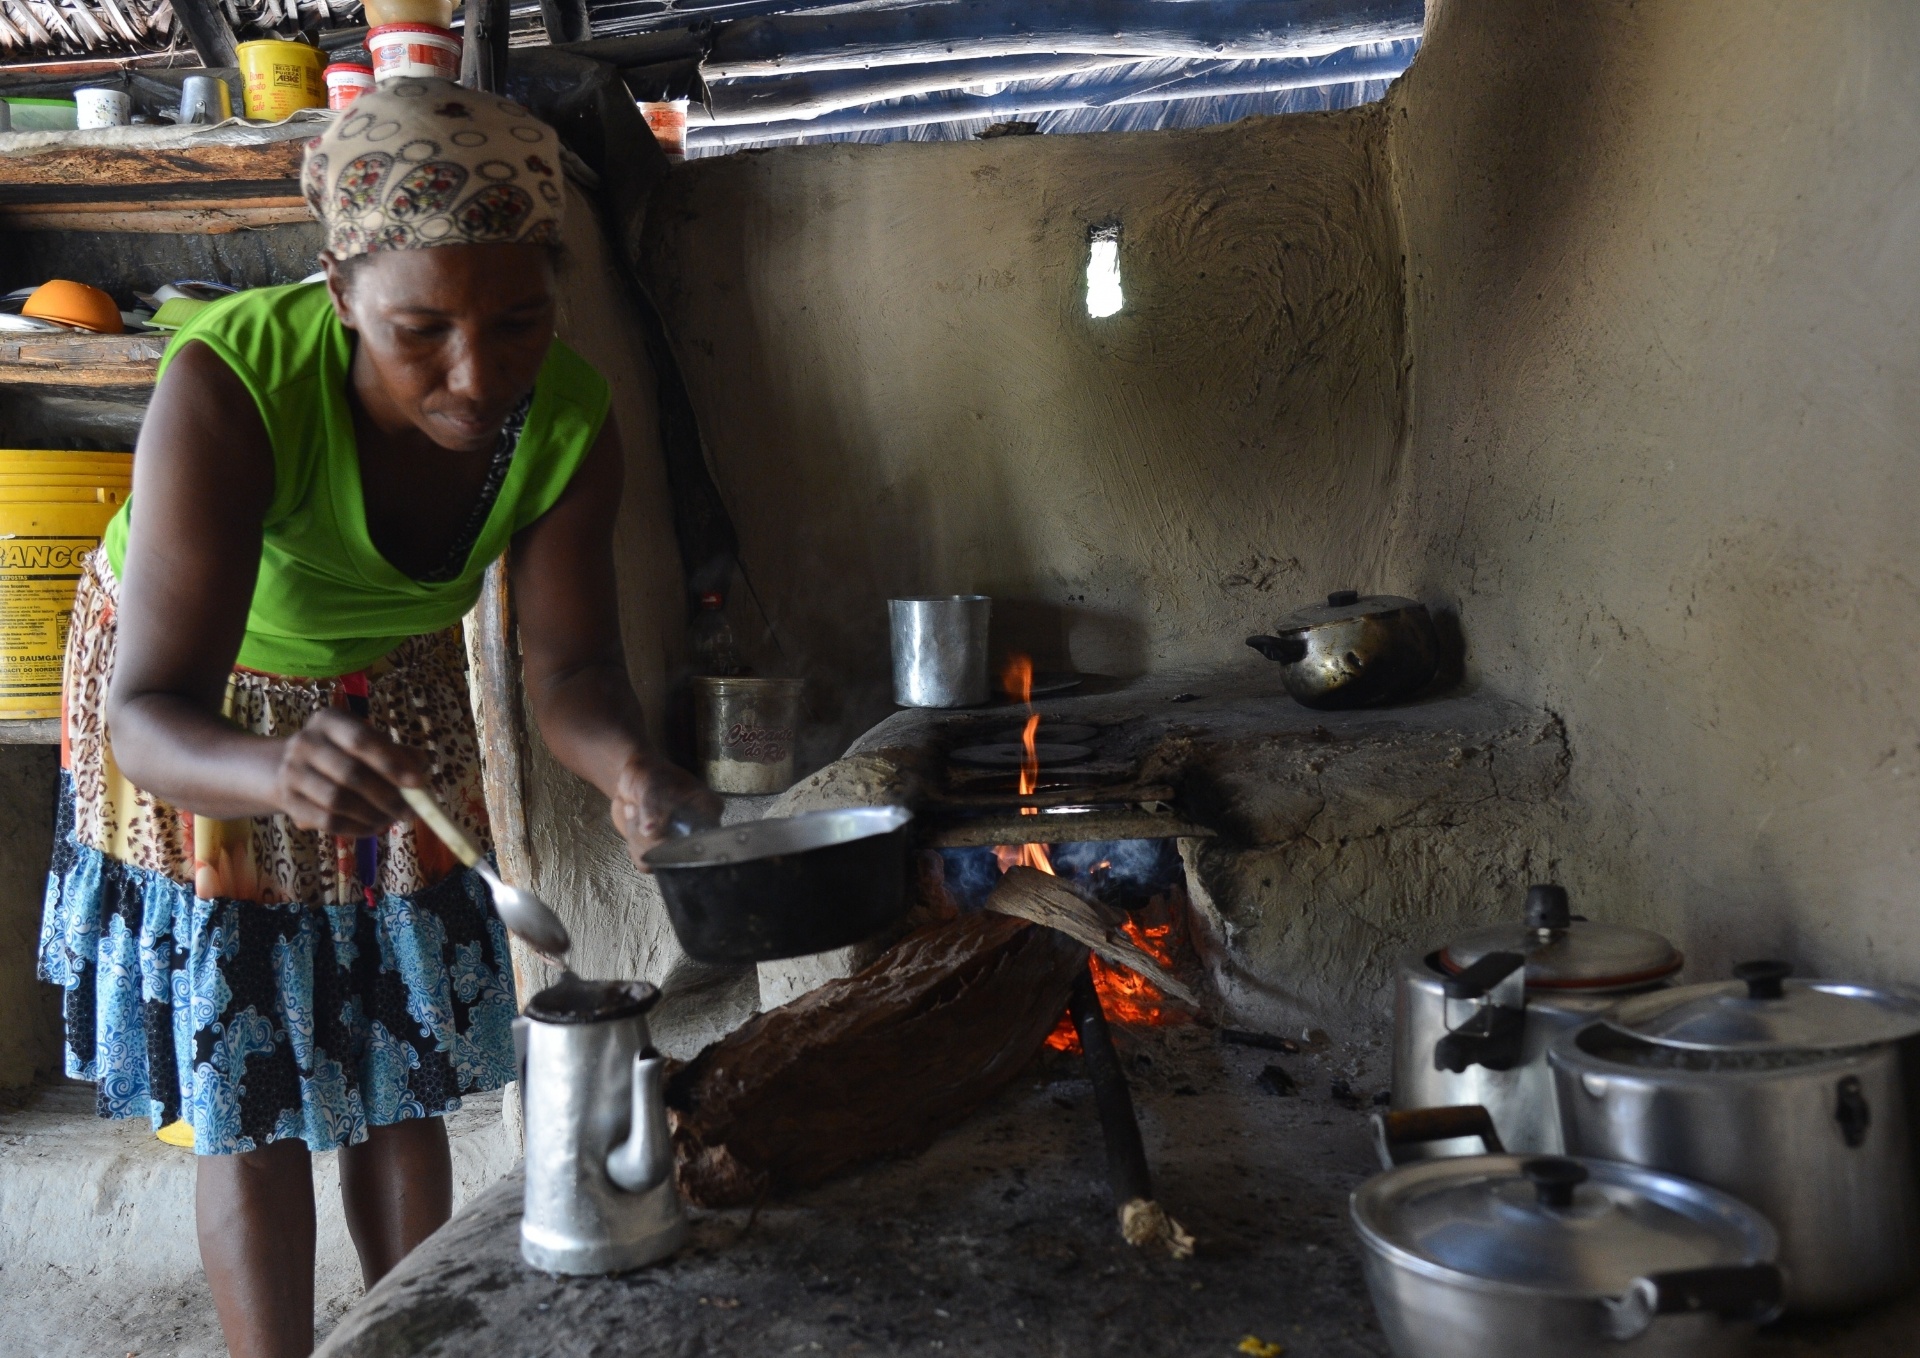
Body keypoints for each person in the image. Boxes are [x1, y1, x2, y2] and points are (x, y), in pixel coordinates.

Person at [36, 79, 718, 1358]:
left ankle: (414, 1337)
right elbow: (146, 714)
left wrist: (633, 767)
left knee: (400, 1073)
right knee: (258, 1092)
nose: (476, 375)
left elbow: (569, 670)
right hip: (207, 704)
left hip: (387, 688)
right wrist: (268, 767)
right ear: (339, 293)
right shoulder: (233, 382)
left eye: (519, 321)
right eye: (421, 330)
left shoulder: (561, 417)